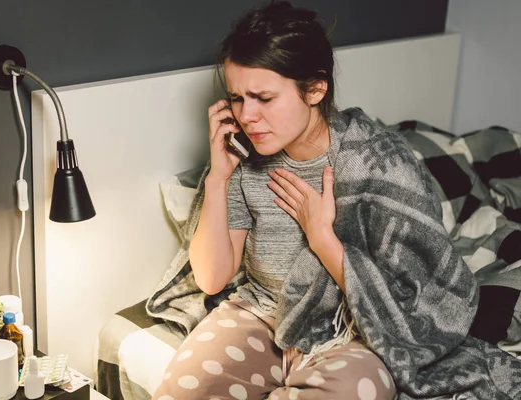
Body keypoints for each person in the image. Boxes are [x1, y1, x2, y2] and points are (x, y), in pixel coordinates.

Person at [147, 1, 488, 399]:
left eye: (264, 98)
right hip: (260, 316)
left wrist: (322, 238)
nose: (247, 116)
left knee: (358, 390)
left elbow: (417, 292)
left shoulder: (376, 162)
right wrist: (219, 178)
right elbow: (211, 278)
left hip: (348, 330)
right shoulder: (239, 159)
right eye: (237, 98)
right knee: (182, 391)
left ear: (315, 89)